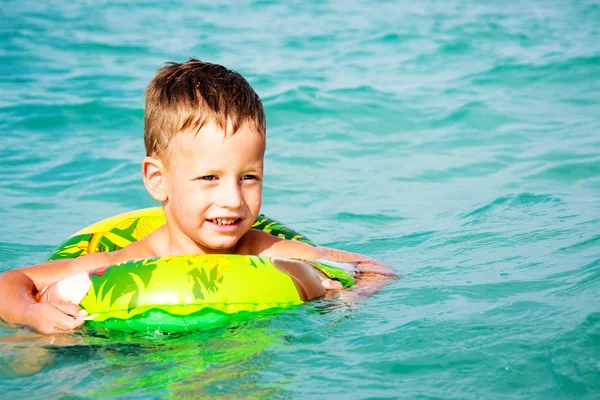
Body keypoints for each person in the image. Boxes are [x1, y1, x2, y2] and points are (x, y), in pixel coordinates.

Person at [0, 59, 396, 335]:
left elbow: (374, 269)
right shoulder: (125, 261)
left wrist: (348, 297)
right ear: (158, 180)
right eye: (209, 177)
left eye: (248, 177)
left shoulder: (266, 251)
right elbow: (11, 281)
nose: (232, 199)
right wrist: (33, 313)